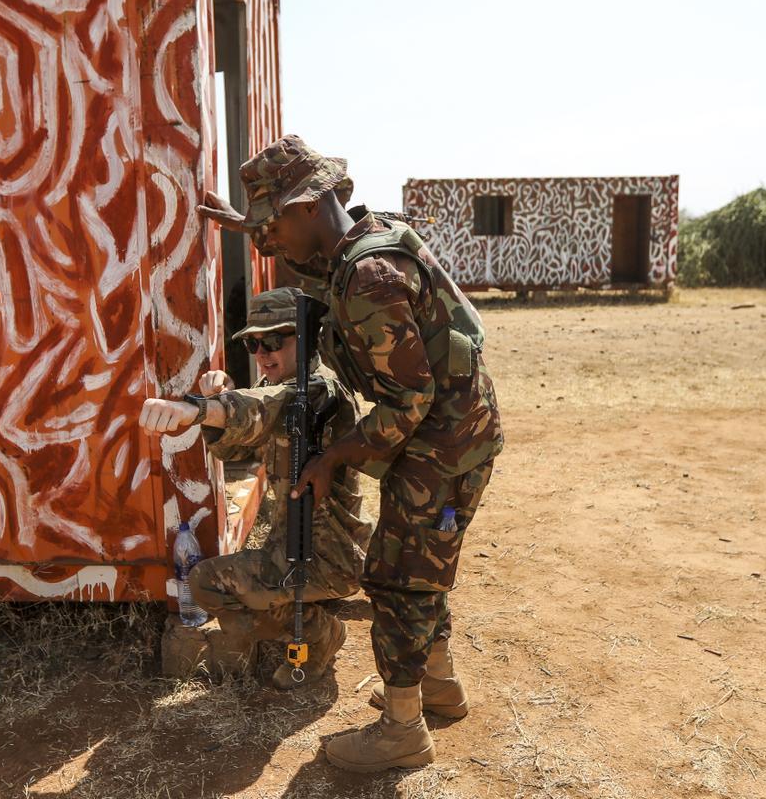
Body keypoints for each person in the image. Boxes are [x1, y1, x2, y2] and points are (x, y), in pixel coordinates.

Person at [198, 135, 504, 772]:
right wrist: (243, 223)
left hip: (441, 442)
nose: (267, 240)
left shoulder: (367, 277)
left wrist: (333, 456)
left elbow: (409, 401)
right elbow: (319, 271)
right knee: (423, 565)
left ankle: (402, 730)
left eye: (272, 222)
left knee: (396, 576)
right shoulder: (358, 244)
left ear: (309, 206)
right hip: (446, 434)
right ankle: (441, 686)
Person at [138, 287, 372, 689]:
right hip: (293, 545)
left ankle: (319, 635)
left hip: (329, 557)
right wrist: (219, 398)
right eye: (253, 343)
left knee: (206, 583)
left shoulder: (319, 392)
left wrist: (196, 409)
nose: (263, 353)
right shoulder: (283, 388)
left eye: (275, 340)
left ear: (306, 338)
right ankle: (311, 621)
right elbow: (238, 443)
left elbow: (268, 404)